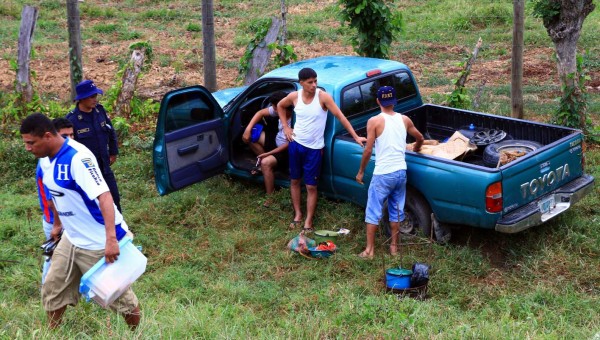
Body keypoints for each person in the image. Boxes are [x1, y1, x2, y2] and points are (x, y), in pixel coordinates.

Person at [20, 113, 141, 329]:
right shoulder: (45, 160)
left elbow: (104, 196)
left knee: (119, 298)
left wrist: (111, 240)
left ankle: (137, 333)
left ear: (47, 136)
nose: (28, 148)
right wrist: (57, 224)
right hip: (72, 238)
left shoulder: (78, 158)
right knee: (53, 287)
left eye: (31, 142)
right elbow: (55, 193)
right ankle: (52, 333)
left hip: (98, 240)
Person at [277, 68, 366, 232]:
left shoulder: (323, 97)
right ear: (301, 83)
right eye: (310, 82)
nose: (314, 85)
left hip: (314, 149)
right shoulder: (294, 96)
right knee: (295, 180)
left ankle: (308, 221)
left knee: (311, 186)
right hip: (296, 144)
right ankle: (297, 214)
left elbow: (340, 116)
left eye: (315, 81)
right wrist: (286, 127)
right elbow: (280, 106)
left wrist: (355, 137)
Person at [355, 86, 424, 259]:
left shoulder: (374, 121)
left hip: (383, 173)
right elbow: (420, 137)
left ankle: (369, 251)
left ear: (378, 101)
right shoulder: (405, 120)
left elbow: (368, 150)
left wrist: (361, 171)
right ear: (395, 101)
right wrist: (416, 148)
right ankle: (394, 248)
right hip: (400, 172)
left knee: (373, 210)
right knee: (396, 210)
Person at [66, 79, 122, 212]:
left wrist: (113, 152)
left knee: (114, 197)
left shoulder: (100, 111)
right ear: (82, 99)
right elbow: (69, 147)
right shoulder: (72, 120)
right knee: (93, 202)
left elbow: (110, 131)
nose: (95, 99)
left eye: (95, 96)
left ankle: (119, 228)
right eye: (92, 96)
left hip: (104, 165)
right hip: (87, 169)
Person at [37, 118, 75, 284]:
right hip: (55, 220)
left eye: (72, 134)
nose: (70, 139)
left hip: (66, 218)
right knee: (54, 260)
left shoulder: (67, 156)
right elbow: (52, 200)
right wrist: (57, 225)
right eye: (65, 135)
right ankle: (47, 292)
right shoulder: (47, 162)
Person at [242, 91, 293, 207]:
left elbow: (290, 144)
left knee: (266, 162)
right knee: (248, 137)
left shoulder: (295, 118)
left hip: (284, 150)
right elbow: (260, 113)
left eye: (276, 108)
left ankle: (270, 197)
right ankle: (267, 168)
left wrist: (268, 154)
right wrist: (248, 129)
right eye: (275, 108)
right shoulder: (279, 111)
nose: (274, 110)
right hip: (276, 140)